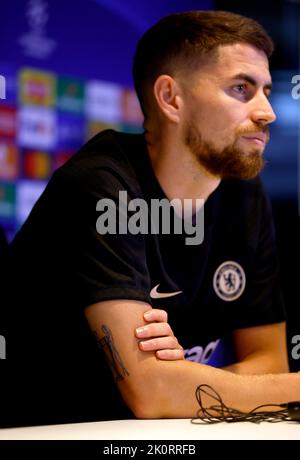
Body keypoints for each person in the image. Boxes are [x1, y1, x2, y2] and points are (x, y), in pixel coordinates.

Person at [1, 10, 299, 427]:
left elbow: (270, 360)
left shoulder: (242, 191)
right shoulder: (101, 185)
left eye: (266, 90)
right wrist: (169, 385)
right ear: (171, 98)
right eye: (241, 89)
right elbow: (151, 393)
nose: (267, 112)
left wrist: (181, 383)